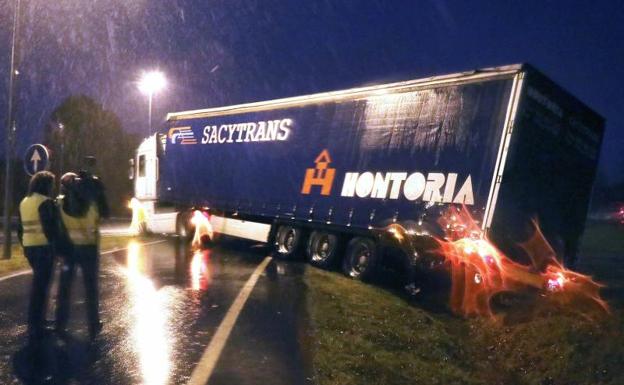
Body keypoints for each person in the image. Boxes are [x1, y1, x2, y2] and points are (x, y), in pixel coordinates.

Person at [17, 171, 65, 346]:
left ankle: (37, 323)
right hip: (44, 249)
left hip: (30, 249)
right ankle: (36, 326)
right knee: (41, 289)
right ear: (45, 185)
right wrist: (57, 250)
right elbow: (51, 229)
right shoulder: (45, 202)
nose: (52, 188)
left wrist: (25, 246)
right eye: (50, 184)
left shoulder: (25, 201)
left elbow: (20, 229)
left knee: (39, 287)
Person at [55, 172, 103, 340]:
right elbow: (101, 216)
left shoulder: (60, 203)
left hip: (69, 251)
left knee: (64, 289)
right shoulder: (91, 202)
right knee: (91, 289)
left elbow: (57, 229)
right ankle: (93, 325)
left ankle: (60, 324)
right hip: (89, 250)